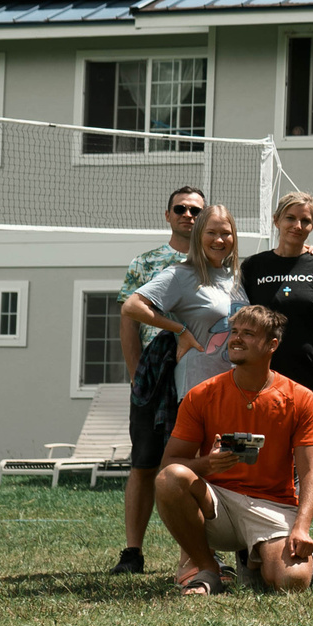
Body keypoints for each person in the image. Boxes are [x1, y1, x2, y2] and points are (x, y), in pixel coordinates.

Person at [152, 304, 313, 596]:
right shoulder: (201, 395)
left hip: (272, 505)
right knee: (170, 478)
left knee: (291, 582)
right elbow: (169, 463)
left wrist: (302, 528)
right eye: (234, 332)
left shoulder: (300, 398)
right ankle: (208, 569)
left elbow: (311, 472)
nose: (236, 339)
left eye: (248, 334)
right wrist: (208, 464)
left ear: (272, 345)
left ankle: (254, 558)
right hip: (216, 504)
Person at [111, 185, 204, 574]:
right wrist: (137, 377)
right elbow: (129, 322)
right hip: (155, 375)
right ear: (167, 215)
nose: (188, 215)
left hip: (199, 378)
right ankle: (133, 552)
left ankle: (200, 552)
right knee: (145, 464)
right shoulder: (146, 262)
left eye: (196, 210)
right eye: (180, 209)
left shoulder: (215, 260)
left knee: (198, 463)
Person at [240, 191, 313, 417]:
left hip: (309, 382)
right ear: (276, 220)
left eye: (305, 221)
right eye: (290, 218)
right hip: (260, 379)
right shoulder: (254, 266)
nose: (297, 225)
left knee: (304, 451)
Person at [126, 203, 246, 402]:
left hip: (235, 390)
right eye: (211, 233)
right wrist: (179, 330)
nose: (219, 240)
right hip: (197, 390)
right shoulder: (181, 274)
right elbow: (132, 306)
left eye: (226, 233)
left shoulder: (236, 276)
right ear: (198, 236)